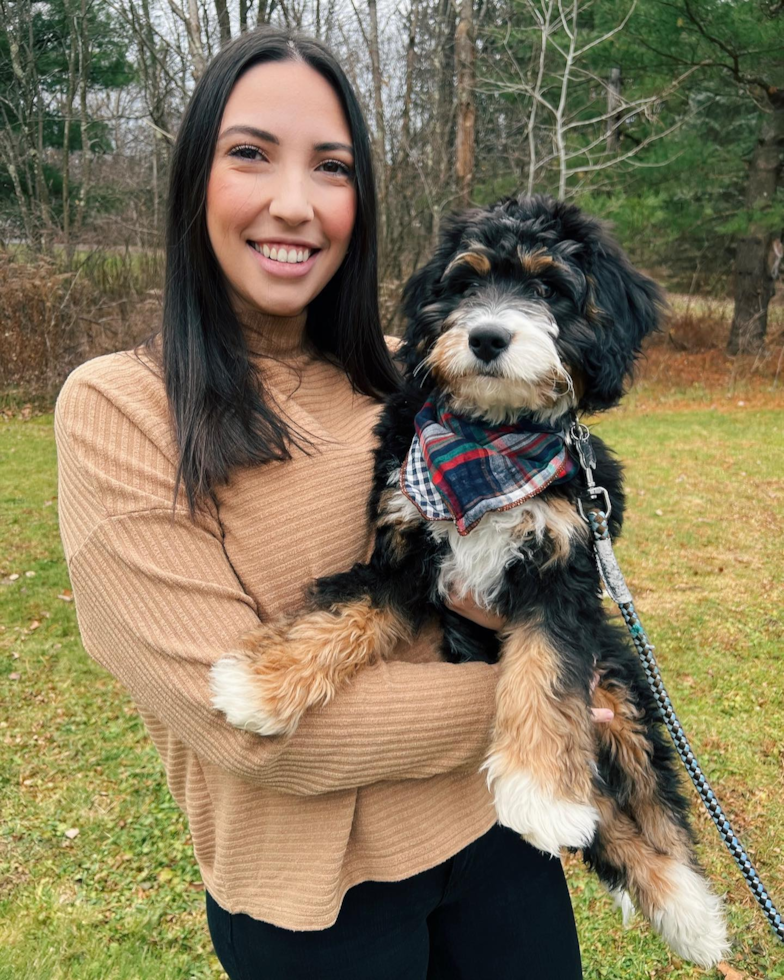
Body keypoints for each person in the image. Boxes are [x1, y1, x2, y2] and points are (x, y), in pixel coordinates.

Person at [55, 26, 612, 980]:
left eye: (332, 166)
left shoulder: (419, 377)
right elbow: (249, 731)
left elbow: (542, 568)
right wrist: (552, 705)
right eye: (250, 153)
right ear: (193, 181)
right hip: (314, 898)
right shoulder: (120, 408)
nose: (294, 203)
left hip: (495, 835)